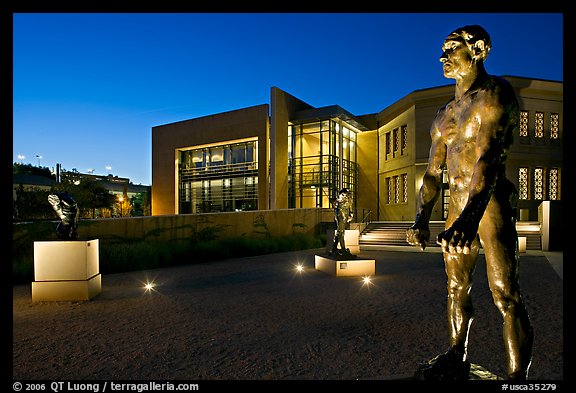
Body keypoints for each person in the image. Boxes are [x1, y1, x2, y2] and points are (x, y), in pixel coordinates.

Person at [406, 25, 533, 380]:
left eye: (452, 47)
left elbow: (489, 158)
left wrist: (469, 218)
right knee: (455, 287)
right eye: (443, 49)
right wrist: (421, 218)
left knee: (505, 294)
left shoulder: (495, 95)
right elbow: (433, 173)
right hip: (457, 205)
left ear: (477, 50)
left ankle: (516, 379)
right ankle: (456, 353)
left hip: (489, 205)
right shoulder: (444, 114)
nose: (443, 55)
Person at [330, 188, 354, 257]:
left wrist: (351, 214)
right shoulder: (340, 200)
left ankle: (334, 249)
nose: (348, 196)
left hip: (344, 214)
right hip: (341, 214)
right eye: (347, 194)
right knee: (341, 232)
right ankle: (343, 249)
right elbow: (336, 206)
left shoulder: (348, 199)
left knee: (339, 232)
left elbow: (350, 206)